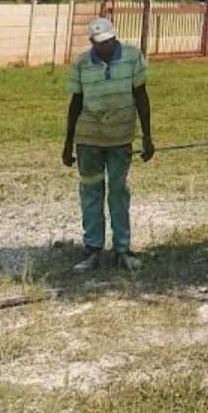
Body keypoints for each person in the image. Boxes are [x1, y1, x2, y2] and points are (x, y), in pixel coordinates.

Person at [62, 17, 155, 273]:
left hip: (121, 136)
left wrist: (147, 136)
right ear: (92, 42)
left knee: (118, 191)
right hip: (89, 137)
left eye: (108, 42)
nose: (104, 47)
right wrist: (68, 143)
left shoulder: (133, 57)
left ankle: (122, 249)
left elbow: (141, 96)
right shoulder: (82, 63)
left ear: (115, 37)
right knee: (91, 192)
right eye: (99, 43)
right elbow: (76, 102)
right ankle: (92, 249)